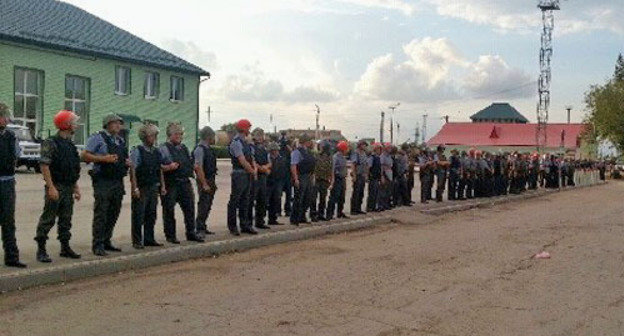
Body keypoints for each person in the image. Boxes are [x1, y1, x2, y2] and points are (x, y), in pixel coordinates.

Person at [34, 110, 82, 262]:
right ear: (66, 125)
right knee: (48, 219)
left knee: (66, 219)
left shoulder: (70, 145)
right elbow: (44, 165)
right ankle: (41, 250)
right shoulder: (51, 142)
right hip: (56, 186)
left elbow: (72, 168)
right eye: (74, 122)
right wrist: (51, 187)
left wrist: (76, 187)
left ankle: (65, 247)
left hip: (68, 187)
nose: (76, 125)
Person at [83, 114, 129, 256]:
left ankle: (106, 240)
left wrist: (126, 162)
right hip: (103, 180)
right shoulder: (98, 138)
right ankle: (97, 244)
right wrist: (103, 158)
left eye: (119, 123)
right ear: (107, 124)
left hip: (117, 180)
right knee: (101, 213)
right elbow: (84, 155)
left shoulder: (120, 141)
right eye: (114, 123)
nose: (118, 126)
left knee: (113, 212)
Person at [159, 123, 204, 244]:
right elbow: (157, 167)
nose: (180, 136)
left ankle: (191, 233)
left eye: (181, 134)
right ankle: (170, 236)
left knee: (189, 209)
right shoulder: (163, 148)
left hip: (185, 182)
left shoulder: (184, 148)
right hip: (171, 183)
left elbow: (190, 161)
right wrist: (168, 167)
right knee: (169, 211)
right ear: (169, 135)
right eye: (176, 134)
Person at [129, 123, 166, 249]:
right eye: (152, 136)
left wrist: (162, 186)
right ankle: (137, 241)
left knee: (151, 214)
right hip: (142, 187)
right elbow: (132, 170)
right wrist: (135, 188)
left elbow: (159, 169)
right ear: (145, 137)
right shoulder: (137, 151)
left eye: (155, 136)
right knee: (139, 215)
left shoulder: (156, 151)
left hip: (153, 187)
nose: (155, 138)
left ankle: (149, 239)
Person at [0, 103, 26, 268]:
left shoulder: (10, 136)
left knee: (8, 222)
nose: (7, 118)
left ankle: (12, 257)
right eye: (4, 115)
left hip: (7, 182)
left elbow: (16, 155)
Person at [227, 119, 257, 235]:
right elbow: (242, 160)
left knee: (246, 200)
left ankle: (245, 225)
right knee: (235, 200)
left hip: (246, 174)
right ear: (244, 129)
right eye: (248, 128)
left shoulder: (245, 142)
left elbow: (251, 158)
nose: (249, 130)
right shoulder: (236, 142)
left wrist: (252, 170)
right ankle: (233, 226)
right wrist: (252, 171)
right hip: (239, 173)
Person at [193, 126, 218, 238]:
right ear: (208, 136)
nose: (214, 138)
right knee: (203, 204)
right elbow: (198, 167)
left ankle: (203, 225)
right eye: (213, 136)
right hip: (205, 179)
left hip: (211, 178)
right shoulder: (200, 149)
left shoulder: (208, 148)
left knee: (208, 204)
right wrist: (204, 183)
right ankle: (199, 228)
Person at [290, 134, 316, 225]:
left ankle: (302, 216)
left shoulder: (308, 152)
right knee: (299, 198)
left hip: (308, 176)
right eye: (309, 141)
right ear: (305, 141)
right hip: (301, 176)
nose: (310, 142)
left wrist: (312, 176)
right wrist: (296, 179)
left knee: (307, 198)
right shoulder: (297, 152)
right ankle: (294, 218)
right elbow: (293, 166)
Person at [249, 128, 271, 230]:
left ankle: (260, 221)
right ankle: (248, 222)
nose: (260, 137)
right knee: (251, 199)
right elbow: (252, 160)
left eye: (261, 135)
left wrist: (265, 167)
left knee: (262, 200)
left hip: (263, 177)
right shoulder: (251, 147)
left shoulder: (264, 148)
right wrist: (261, 168)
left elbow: (269, 161)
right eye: (258, 135)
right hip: (254, 177)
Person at [327, 141, 350, 220]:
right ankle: (329, 214)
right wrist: (332, 181)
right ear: (343, 149)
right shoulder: (335, 157)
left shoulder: (343, 157)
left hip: (342, 179)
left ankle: (340, 212)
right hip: (337, 179)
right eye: (346, 149)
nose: (347, 150)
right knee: (334, 197)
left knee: (342, 197)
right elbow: (332, 169)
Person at [267, 142, 287, 225]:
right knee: (266, 201)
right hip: (268, 182)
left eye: (276, 150)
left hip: (278, 182)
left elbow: (283, 171)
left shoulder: (281, 159)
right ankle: (262, 218)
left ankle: (273, 219)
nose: (276, 152)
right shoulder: (267, 158)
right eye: (274, 150)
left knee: (276, 200)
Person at [312, 140, 332, 221]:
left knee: (323, 198)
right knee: (314, 198)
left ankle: (321, 214)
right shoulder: (316, 155)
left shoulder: (329, 157)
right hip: (316, 179)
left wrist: (330, 179)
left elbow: (331, 168)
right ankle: (313, 215)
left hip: (324, 179)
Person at [350, 140, 368, 215]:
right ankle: (353, 209)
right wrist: (354, 176)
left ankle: (358, 208)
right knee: (356, 193)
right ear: (360, 145)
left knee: (361, 193)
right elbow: (353, 165)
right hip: (357, 175)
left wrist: (366, 175)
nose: (365, 146)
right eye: (364, 145)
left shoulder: (364, 154)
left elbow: (366, 165)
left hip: (362, 175)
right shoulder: (356, 153)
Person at [278, 131, 293, 217]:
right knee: (279, 194)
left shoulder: (288, 149)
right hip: (282, 174)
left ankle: (286, 210)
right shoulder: (280, 146)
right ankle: (279, 210)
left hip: (287, 173)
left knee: (288, 193)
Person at [366, 143, 382, 212]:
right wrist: (368, 176)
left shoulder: (378, 157)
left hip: (376, 178)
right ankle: (370, 207)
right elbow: (368, 167)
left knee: (376, 193)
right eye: (379, 149)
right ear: (376, 149)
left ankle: (374, 207)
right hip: (373, 178)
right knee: (372, 193)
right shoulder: (372, 157)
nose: (380, 150)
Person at [379, 143, 394, 210]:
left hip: (389, 174)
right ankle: (383, 205)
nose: (390, 149)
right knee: (383, 191)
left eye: (390, 147)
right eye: (389, 147)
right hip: (385, 174)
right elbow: (381, 166)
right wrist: (382, 176)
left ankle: (387, 204)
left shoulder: (389, 156)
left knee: (389, 191)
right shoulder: (382, 156)